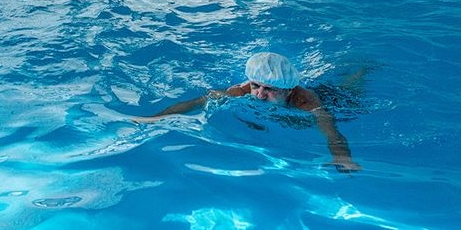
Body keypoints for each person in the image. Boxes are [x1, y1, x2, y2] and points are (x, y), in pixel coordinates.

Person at [142, 52, 361, 172]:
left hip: (334, 98)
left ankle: (360, 70)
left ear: (287, 89)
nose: (259, 95)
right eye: (256, 86)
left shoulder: (306, 102)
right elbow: (197, 102)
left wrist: (342, 158)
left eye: (269, 89)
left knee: (348, 93)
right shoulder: (242, 91)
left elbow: (330, 130)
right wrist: (153, 119)